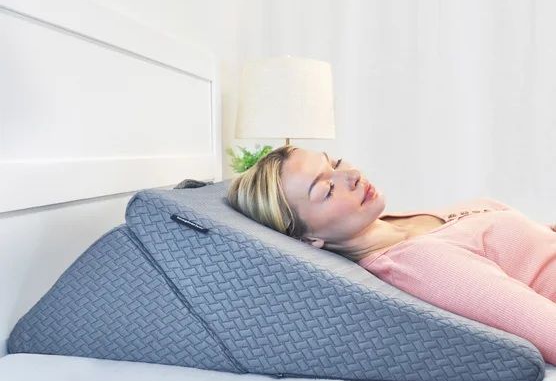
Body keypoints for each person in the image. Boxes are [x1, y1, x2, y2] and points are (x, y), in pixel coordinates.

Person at [227, 145, 556, 365]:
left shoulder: (388, 222)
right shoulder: (423, 264)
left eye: (335, 163)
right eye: (327, 190)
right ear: (308, 238)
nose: (350, 176)